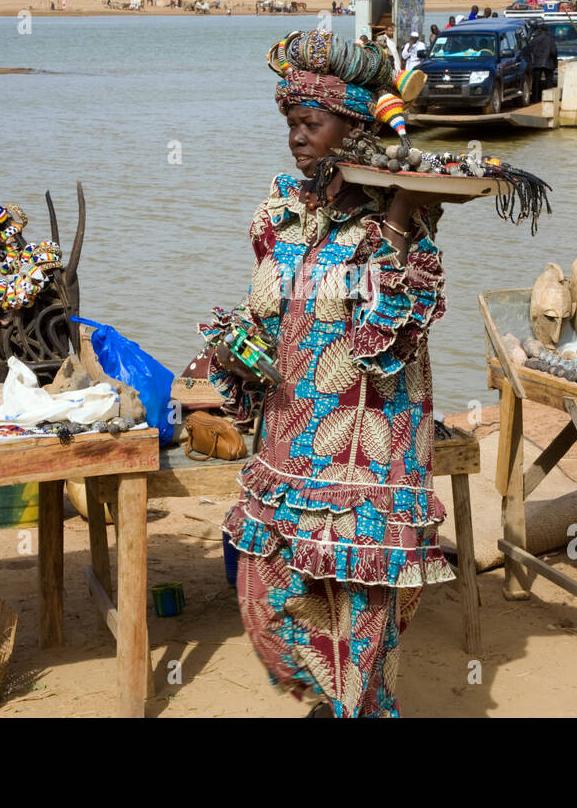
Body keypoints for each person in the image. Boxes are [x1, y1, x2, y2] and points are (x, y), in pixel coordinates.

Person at [203, 43, 455, 718]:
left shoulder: (400, 223)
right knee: (267, 593)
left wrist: (400, 207)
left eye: (311, 121)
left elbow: (391, 324)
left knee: (361, 606)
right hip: (289, 443)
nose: (295, 135)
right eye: (289, 119)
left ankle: (353, 708)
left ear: (354, 128)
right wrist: (237, 351)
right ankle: (331, 699)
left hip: (369, 447)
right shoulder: (281, 214)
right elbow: (273, 311)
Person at [526, 22, 557, 99]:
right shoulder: (550, 39)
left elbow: (529, 49)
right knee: (549, 81)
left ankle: (535, 98)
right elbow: (554, 52)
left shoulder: (535, 38)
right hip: (548, 62)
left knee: (536, 81)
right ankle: (549, 98)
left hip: (537, 62)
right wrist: (555, 62)